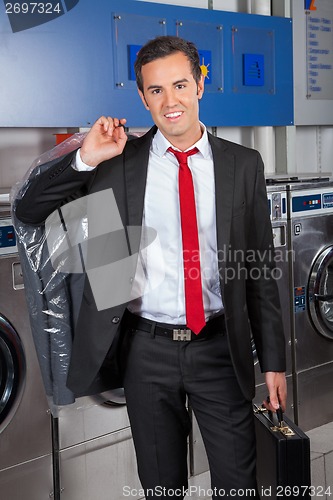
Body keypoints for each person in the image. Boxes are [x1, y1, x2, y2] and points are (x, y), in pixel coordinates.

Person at [16, 36, 287, 499]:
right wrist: (85, 157)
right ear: (142, 98)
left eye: (180, 85)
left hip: (221, 349)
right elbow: (30, 209)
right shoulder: (117, 162)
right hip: (146, 351)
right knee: (162, 487)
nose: (170, 101)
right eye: (156, 91)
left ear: (201, 84)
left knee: (239, 484)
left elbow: (259, 267)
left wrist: (275, 362)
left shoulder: (243, 164)